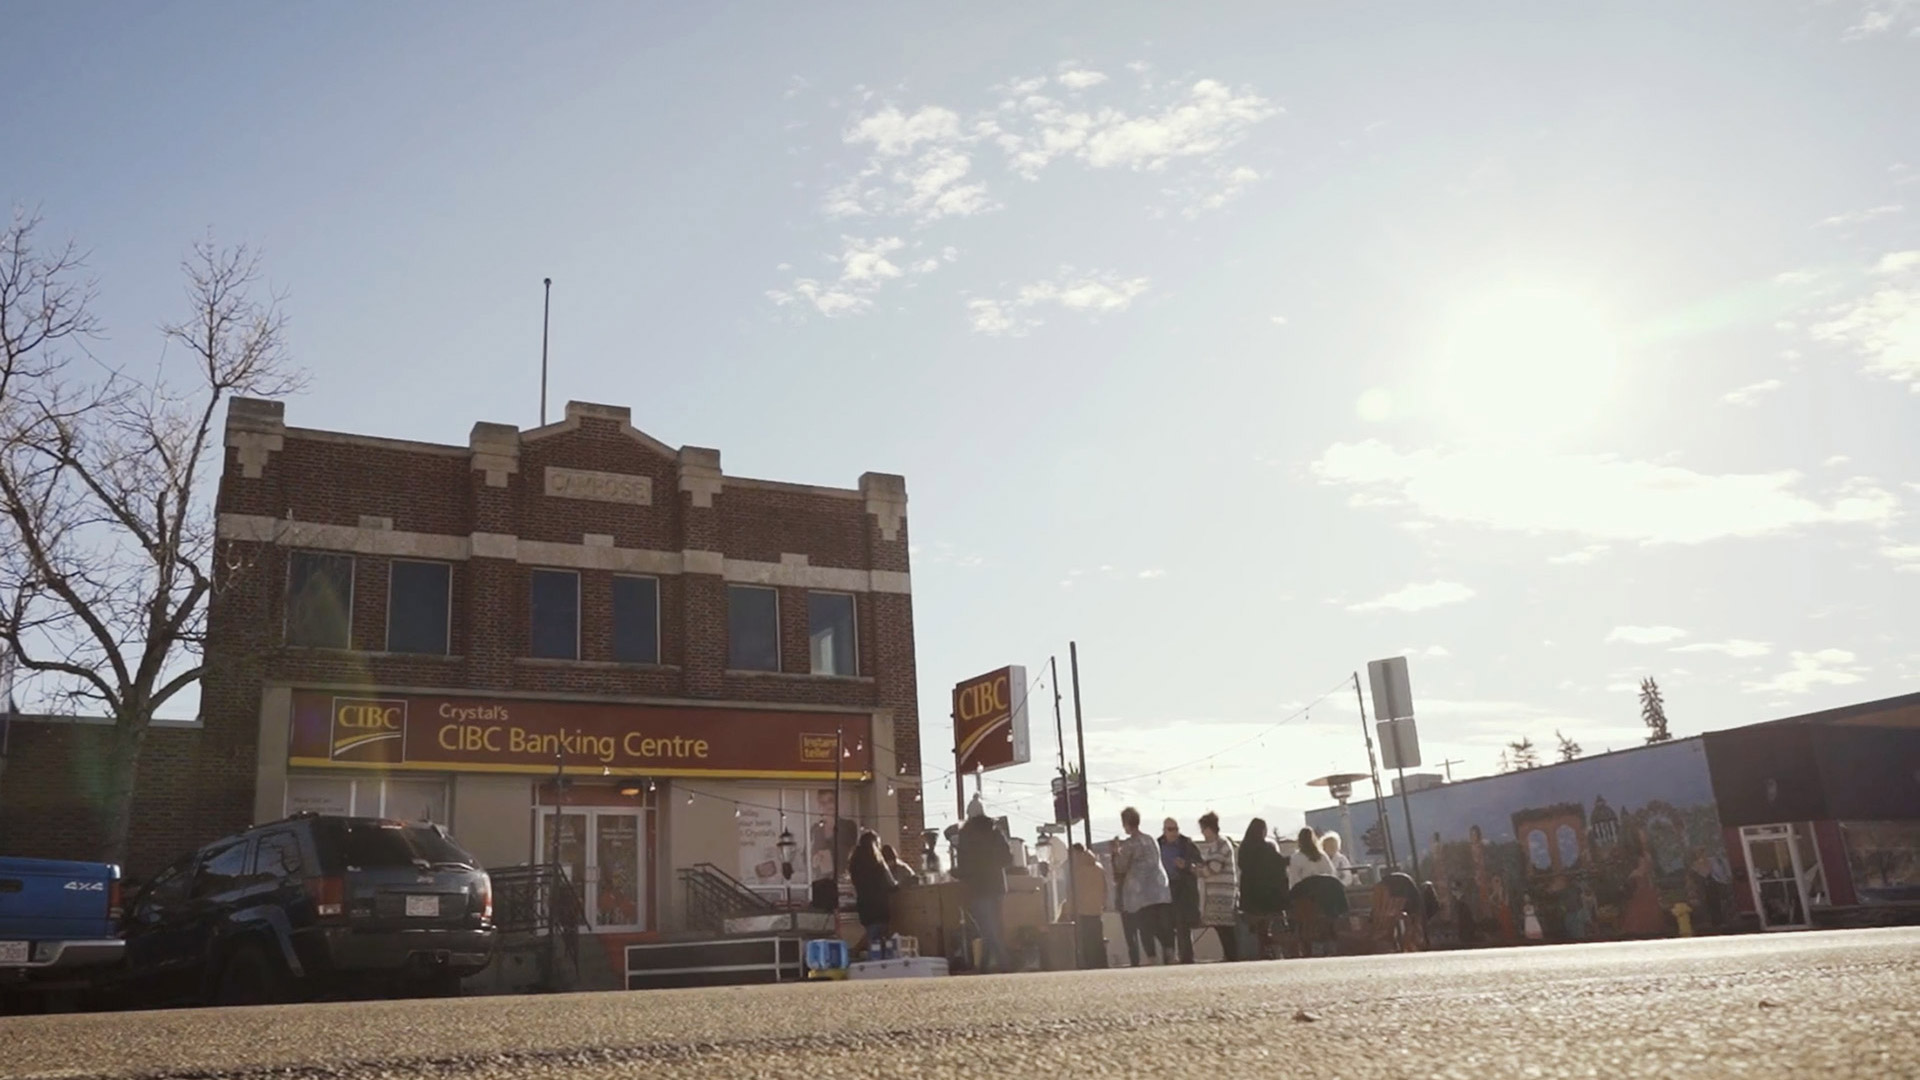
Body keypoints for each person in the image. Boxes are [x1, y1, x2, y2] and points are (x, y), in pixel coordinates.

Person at [953, 805, 1013, 972]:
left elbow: (964, 864)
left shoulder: (966, 834)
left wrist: (959, 874)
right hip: (997, 885)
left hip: (979, 886)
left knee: (987, 927)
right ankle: (983, 967)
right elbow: (1008, 858)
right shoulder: (995, 832)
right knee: (992, 926)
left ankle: (1004, 963)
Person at [1113, 806, 1174, 966]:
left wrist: (1115, 852)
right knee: (1160, 924)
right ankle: (1169, 951)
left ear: (1126, 823)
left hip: (1140, 892)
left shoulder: (1130, 844)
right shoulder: (1151, 839)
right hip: (1160, 889)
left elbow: (1121, 866)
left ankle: (1152, 957)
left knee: (1145, 926)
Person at [1289, 826, 1344, 957]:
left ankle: (1307, 948)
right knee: (1324, 919)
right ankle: (1330, 945)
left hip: (1306, 902)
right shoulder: (1322, 856)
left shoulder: (1296, 858)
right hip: (1325, 902)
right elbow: (1332, 875)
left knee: (1300, 916)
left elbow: (1294, 882)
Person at [1237, 818, 1288, 961]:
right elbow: (1280, 865)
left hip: (1250, 896)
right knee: (1269, 924)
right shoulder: (1267, 849)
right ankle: (1271, 950)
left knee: (1258, 927)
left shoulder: (1244, 848)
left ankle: (1262, 950)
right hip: (1268, 896)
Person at [1194, 812, 1240, 962]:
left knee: (1225, 927)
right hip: (1216, 891)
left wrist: (1196, 871)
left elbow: (1213, 868)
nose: (1202, 832)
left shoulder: (1221, 844)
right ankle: (1229, 954)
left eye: (1203, 829)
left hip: (1223, 892)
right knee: (1220, 926)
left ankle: (1232, 955)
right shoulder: (1213, 846)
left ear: (1209, 828)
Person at [1159, 817, 1203, 964]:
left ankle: (1187, 958)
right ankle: (1169, 958)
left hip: (1183, 887)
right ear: (1164, 830)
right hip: (1163, 888)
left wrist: (1186, 865)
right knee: (1165, 924)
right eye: (1171, 829)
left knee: (1182, 924)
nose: (1174, 833)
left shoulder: (1187, 844)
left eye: (1176, 829)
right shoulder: (1157, 845)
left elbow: (1199, 864)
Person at [848, 830, 897, 959]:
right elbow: (890, 885)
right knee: (882, 942)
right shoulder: (878, 865)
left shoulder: (855, 863)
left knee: (872, 940)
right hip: (880, 909)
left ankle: (870, 959)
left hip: (865, 908)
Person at [1063, 842, 1109, 968]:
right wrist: (1103, 903)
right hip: (1096, 910)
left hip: (1081, 911)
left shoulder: (1076, 870)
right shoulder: (1099, 868)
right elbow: (1105, 889)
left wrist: (1069, 910)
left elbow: (1072, 891)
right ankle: (1101, 965)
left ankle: (1088, 966)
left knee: (1085, 942)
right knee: (1097, 941)